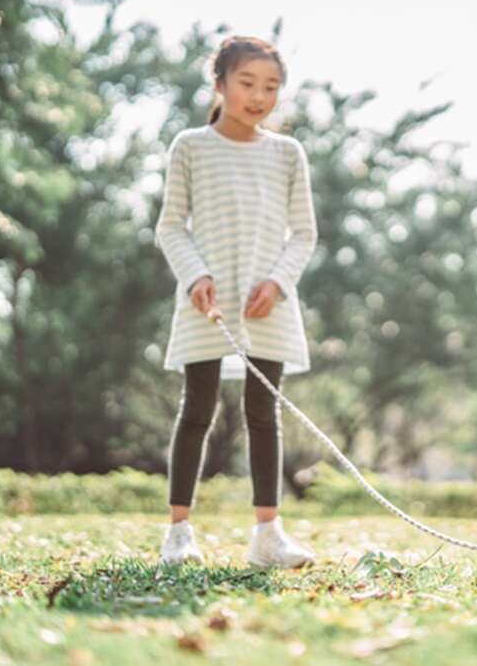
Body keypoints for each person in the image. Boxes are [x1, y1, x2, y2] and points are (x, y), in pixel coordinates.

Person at [154, 35, 317, 568]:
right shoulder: (191, 147)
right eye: (247, 83)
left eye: (271, 87)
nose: (259, 96)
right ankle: (179, 533)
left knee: (263, 411)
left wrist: (276, 283)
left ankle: (268, 535)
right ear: (219, 83)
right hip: (208, 300)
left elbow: (304, 235)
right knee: (196, 407)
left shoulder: (288, 154)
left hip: (267, 302)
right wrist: (194, 275)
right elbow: (171, 226)